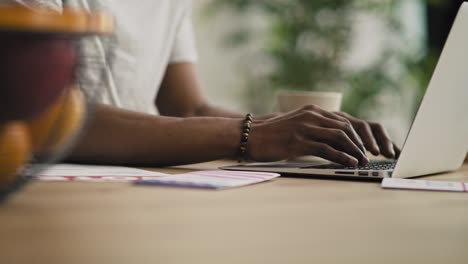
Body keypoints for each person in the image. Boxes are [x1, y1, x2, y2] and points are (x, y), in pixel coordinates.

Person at [4, 0, 400, 167]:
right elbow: (44, 115)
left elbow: (189, 107)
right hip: (50, 191)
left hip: (131, 186)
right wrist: (248, 134)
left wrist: (298, 130)